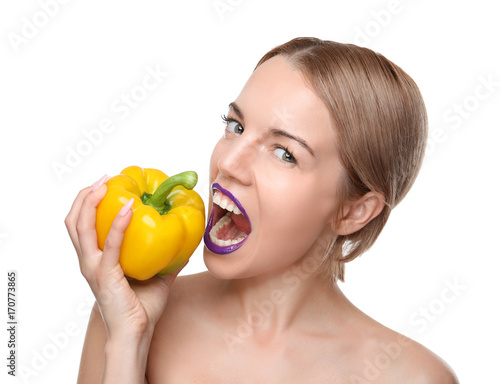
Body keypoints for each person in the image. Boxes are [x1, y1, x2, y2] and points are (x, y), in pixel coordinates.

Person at [66, 37, 459, 383]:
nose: (229, 164)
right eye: (235, 126)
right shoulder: (127, 312)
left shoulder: (412, 376)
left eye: (285, 153)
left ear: (354, 211)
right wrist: (127, 341)